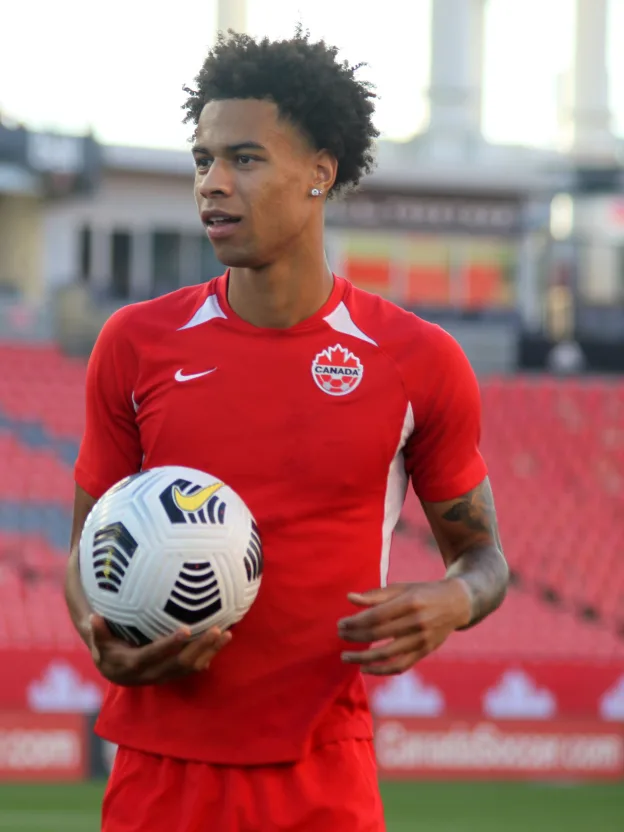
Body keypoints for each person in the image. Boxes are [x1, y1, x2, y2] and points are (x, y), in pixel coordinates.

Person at [65, 29, 509, 832]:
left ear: (320, 172)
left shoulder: (417, 361)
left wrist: (453, 599)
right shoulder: (135, 343)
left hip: (323, 777)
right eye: (203, 160)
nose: (212, 183)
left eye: (244, 158)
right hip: (158, 780)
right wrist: (100, 642)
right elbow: (83, 554)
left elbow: (484, 561)